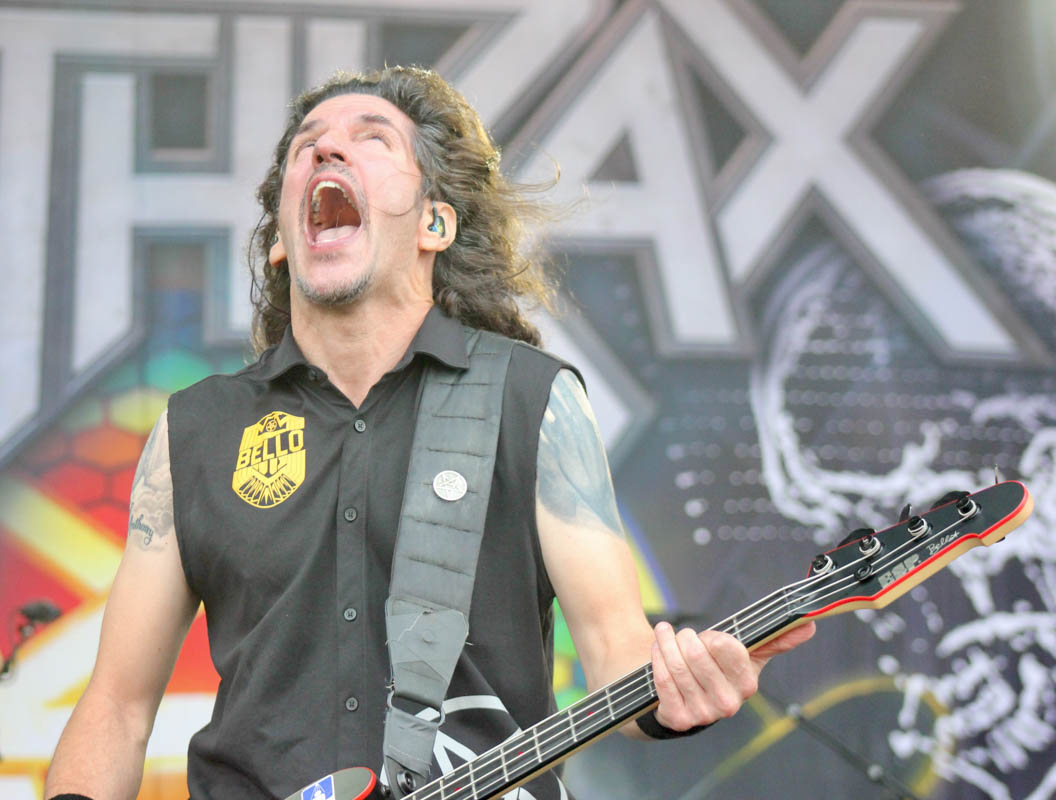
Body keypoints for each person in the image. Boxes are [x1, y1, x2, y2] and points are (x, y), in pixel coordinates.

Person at [44, 66, 814, 800]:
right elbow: (116, 707)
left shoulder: (528, 399)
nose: (326, 148)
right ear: (282, 238)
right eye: (308, 144)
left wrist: (682, 685)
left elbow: (618, 654)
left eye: (372, 137)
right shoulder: (197, 430)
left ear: (435, 222)